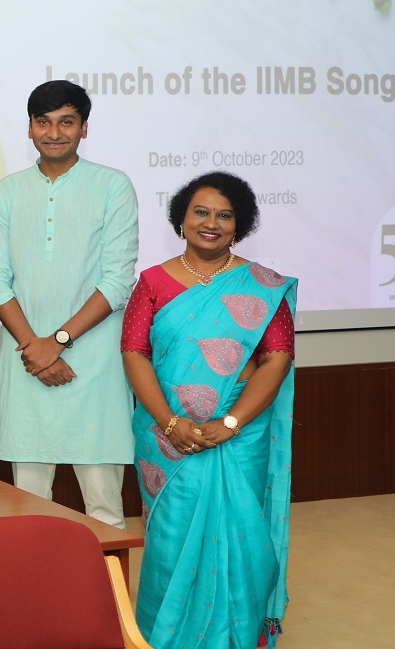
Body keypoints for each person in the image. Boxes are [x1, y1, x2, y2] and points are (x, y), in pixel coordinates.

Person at [123, 172, 296, 649]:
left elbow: (277, 358)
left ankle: (238, 637)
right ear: (181, 220)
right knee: (172, 538)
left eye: (225, 215)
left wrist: (230, 422)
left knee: (241, 536)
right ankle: (164, 637)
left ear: (239, 225)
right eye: (201, 212)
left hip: (240, 433)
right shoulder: (153, 282)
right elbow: (134, 352)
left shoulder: (264, 286)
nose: (211, 223)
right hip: (165, 434)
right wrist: (171, 422)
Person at [0, 80, 138, 528]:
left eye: (66, 122)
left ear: (84, 128)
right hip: (26, 363)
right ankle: (33, 599)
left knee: (104, 507)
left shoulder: (112, 186)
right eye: (43, 122)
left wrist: (60, 341)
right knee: (26, 511)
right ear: (29, 128)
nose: (54, 132)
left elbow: (116, 282)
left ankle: (108, 599)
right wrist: (36, 346)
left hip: (94, 367)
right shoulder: (8, 191)